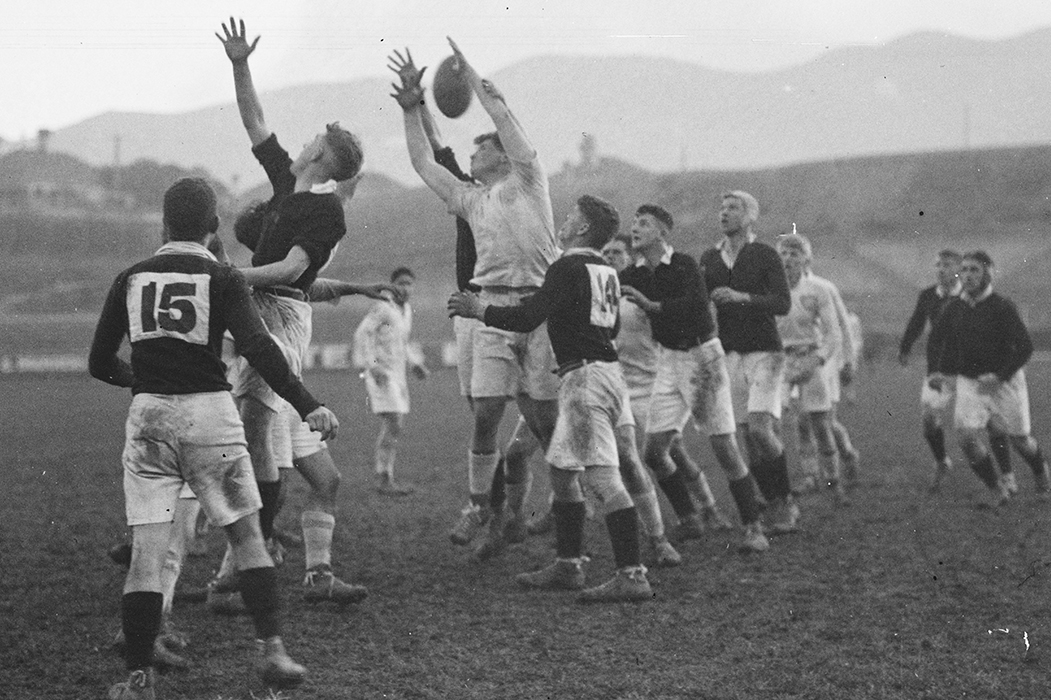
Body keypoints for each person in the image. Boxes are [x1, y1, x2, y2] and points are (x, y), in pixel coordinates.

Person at [88, 178, 332, 698]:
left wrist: (144, 380)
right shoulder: (221, 276)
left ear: (162, 223)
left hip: (150, 420)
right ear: (214, 226)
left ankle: (137, 681)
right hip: (211, 417)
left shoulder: (129, 278)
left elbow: (98, 362)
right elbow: (261, 350)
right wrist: (308, 404)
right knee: (246, 537)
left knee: (146, 556)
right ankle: (273, 651)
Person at [213, 18, 367, 606]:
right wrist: (239, 64)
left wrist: (231, 277)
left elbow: (290, 272)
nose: (302, 142)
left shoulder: (326, 214)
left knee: (275, 451)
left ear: (323, 157)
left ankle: (263, 574)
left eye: (315, 140)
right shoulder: (286, 183)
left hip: (278, 314)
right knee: (274, 451)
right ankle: (253, 572)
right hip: (265, 309)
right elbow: (254, 120)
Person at [390, 40, 559, 557]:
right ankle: (478, 506)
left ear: (504, 155)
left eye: (482, 148)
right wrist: (408, 111)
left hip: (537, 309)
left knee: (543, 421)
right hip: (487, 307)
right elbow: (423, 162)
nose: (472, 154)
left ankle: (564, 500)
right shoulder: (470, 199)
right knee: (485, 412)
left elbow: (505, 121)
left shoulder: (529, 179)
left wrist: (477, 77)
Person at [448, 194, 653, 602]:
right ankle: (568, 564)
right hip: (607, 374)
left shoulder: (566, 266)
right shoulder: (606, 270)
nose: (562, 221)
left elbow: (528, 318)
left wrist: (480, 309)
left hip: (585, 380)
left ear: (580, 229)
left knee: (603, 479)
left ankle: (632, 574)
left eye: (570, 217)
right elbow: (606, 329)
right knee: (561, 470)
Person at [619, 206, 769, 553]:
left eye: (643, 224)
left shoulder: (685, 264)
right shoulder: (632, 274)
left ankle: (753, 528)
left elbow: (695, 304)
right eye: (634, 222)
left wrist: (652, 306)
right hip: (669, 361)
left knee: (724, 448)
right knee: (654, 452)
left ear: (662, 233)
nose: (635, 228)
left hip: (703, 359)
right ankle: (690, 518)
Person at [699, 191, 796, 532]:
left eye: (733, 208)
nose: (724, 213)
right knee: (745, 438)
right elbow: (700, 305)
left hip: (765, 352)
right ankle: (772, 501)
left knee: (760, 430)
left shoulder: (765, 254)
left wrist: (742, 298)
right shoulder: (710, 259)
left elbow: (782, 303)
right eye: (721, 207)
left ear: (751, 216)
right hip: (728, 355)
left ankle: (783, 500)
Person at [927, 250, 1050, 506]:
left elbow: (1026, 347)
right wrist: (937, 370)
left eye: (975, 270)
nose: (968, 275)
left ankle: (1040, 471)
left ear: (988, 274)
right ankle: (997, 489)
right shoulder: (954, 308)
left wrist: (1000, 376)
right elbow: (940, 340)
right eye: (966, 270)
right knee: (965, 437)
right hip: (971, 383)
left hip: (1006, 381)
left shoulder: (1002, 306)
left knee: (1020, 440)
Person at [775, 232, 849, 507]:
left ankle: (832, 481)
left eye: (795, 253)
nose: (788, 258)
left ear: (807, 259)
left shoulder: (817, 290)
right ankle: (808, 477)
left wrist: (817, 360)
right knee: (791, 424)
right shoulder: (771, 290)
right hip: (781, 361)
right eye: (783, 252)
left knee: (819, 424)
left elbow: (833, 333)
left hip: (810, 358)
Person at [353, 266, 429, 495]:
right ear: (393, 285)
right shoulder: (383, 308)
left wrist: (415, 363)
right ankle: (383, 477)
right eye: (401, 283)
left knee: (394, 425)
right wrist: (372, 366)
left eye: (409, 283)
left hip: (398, 375)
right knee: (394, 423)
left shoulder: (404, 311)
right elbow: (362, 334)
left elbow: (402, 343)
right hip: (382, 374)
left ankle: (385, 476)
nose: (406, 287)